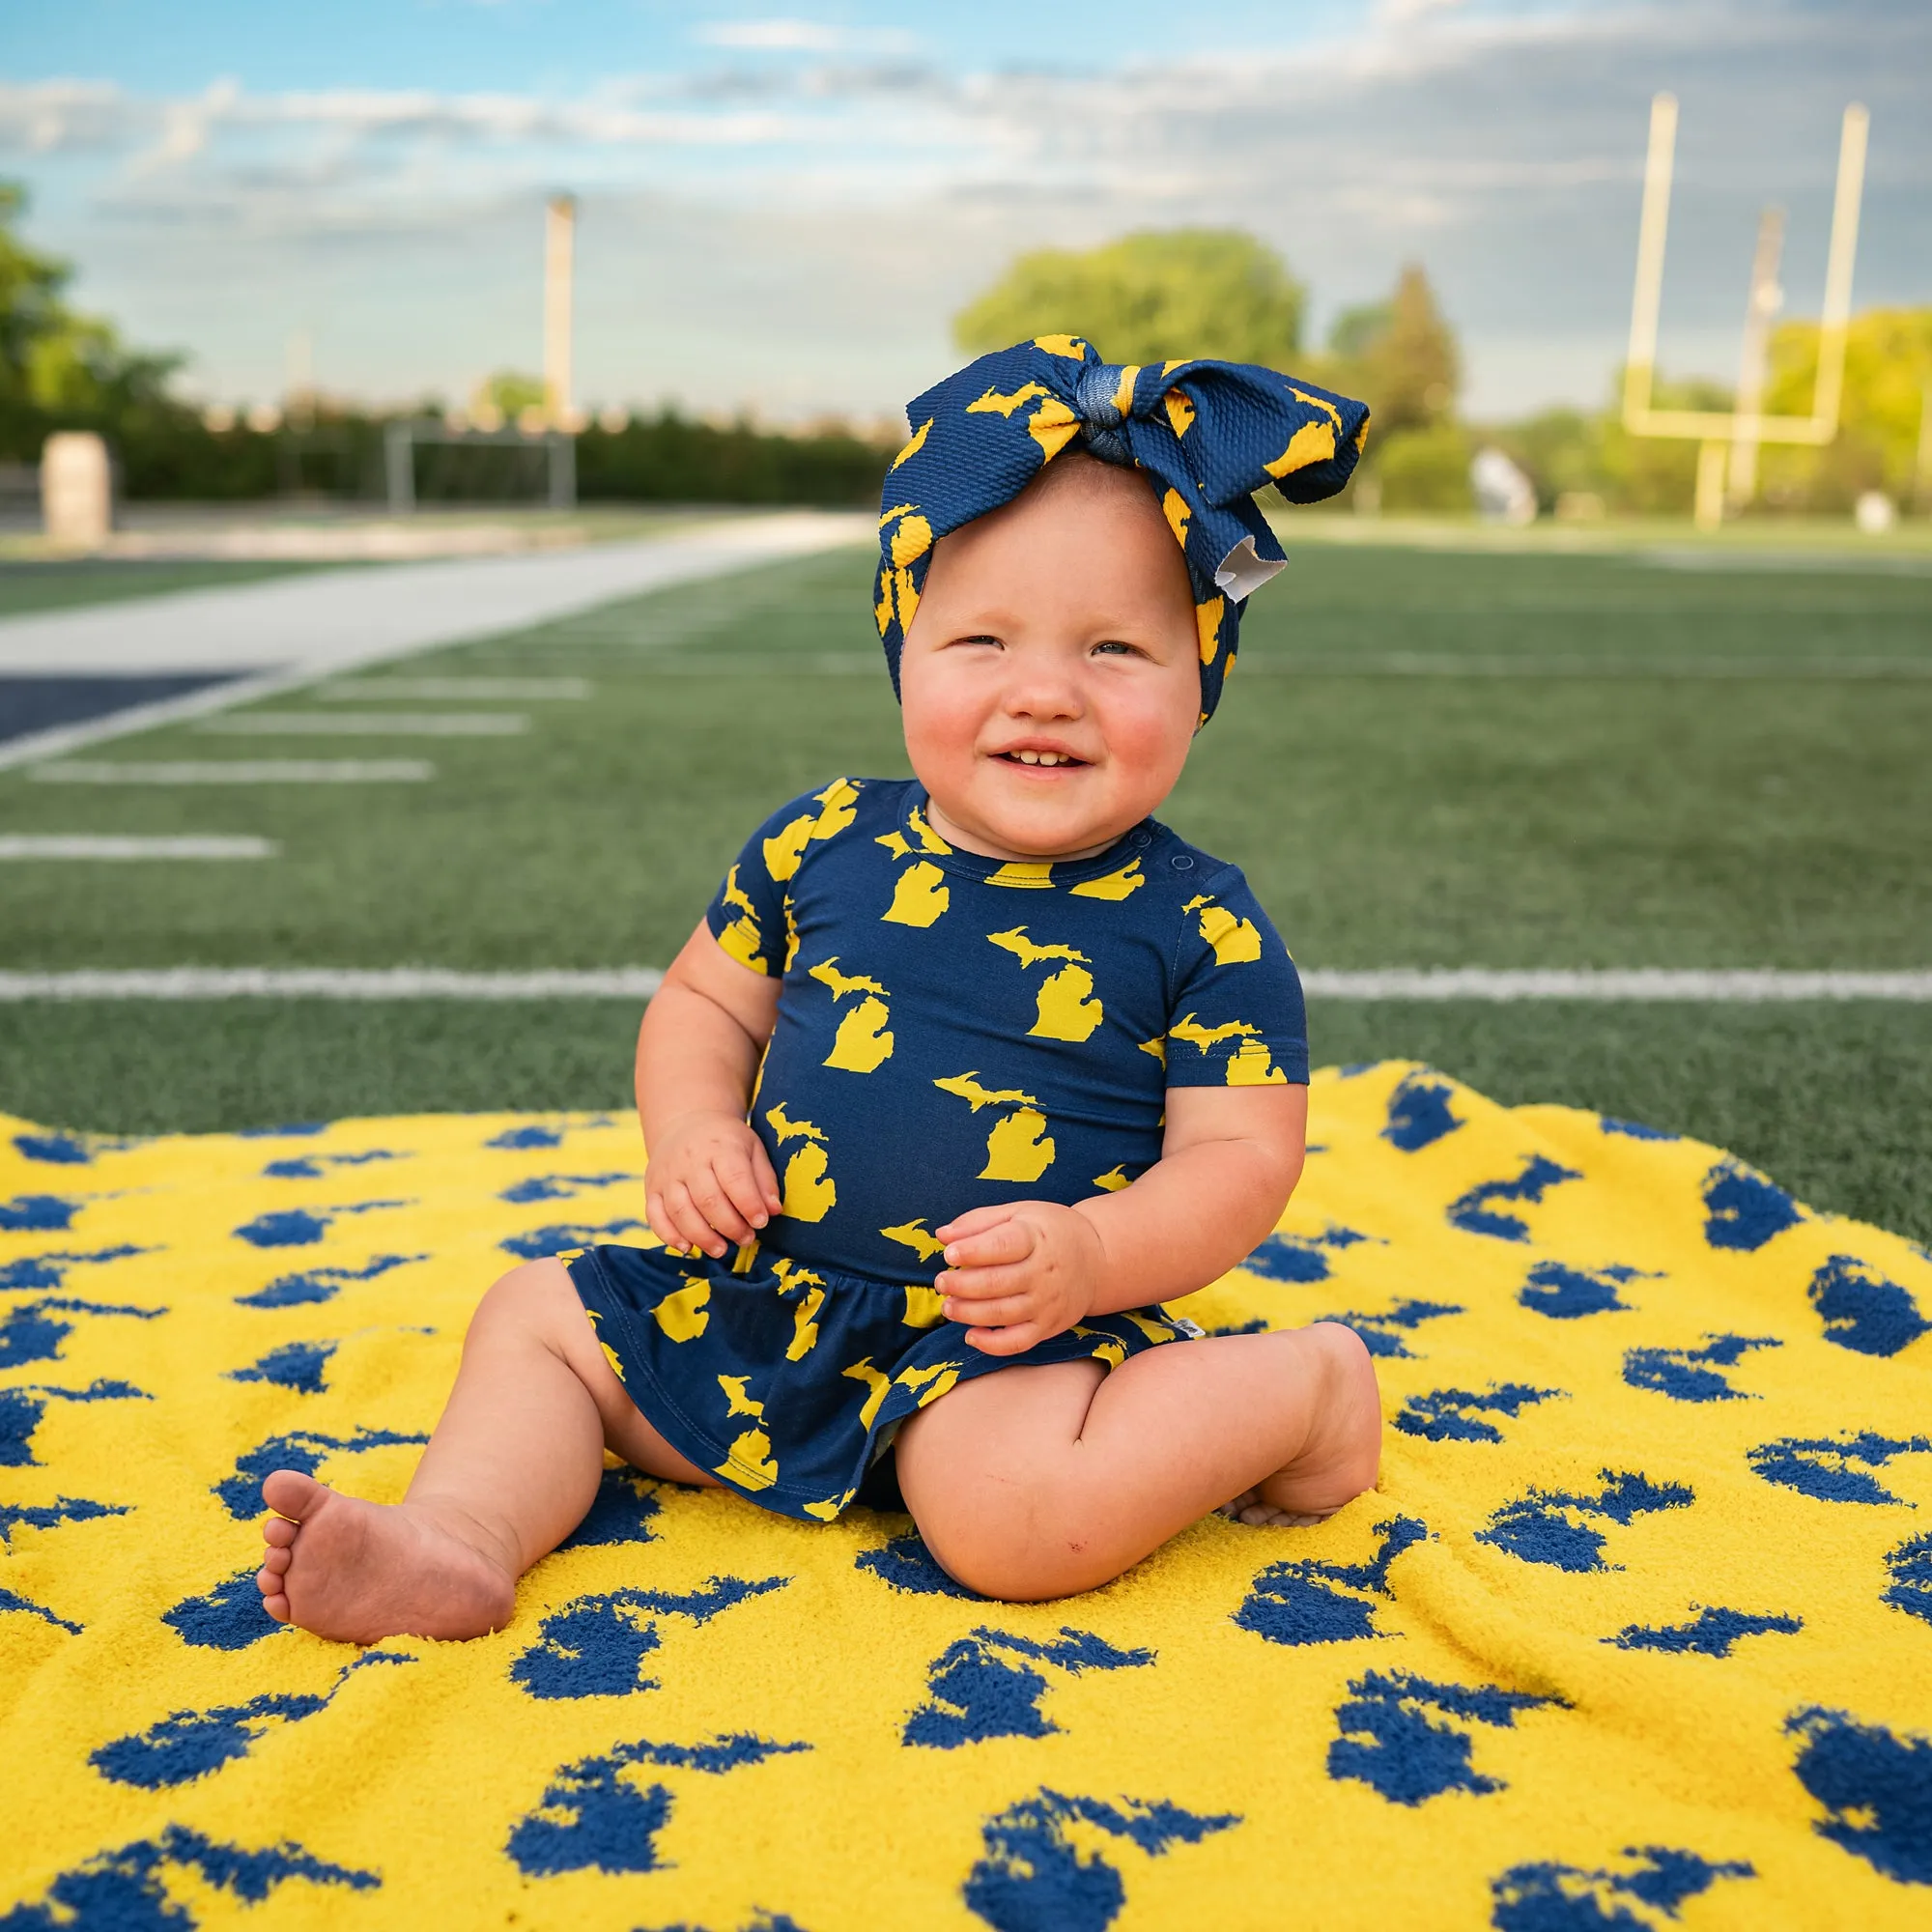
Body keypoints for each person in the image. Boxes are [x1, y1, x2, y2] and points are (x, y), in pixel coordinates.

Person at [255, 338, 1383, 1642]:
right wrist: (691, 1129)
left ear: (1201, 682)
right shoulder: (820, 842)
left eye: (1117, 650)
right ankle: (459, 1537)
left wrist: (1092, 1257)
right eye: (983, 638)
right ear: (903, 651)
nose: (1043, 691)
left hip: (1009, 1337)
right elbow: (704, 1006)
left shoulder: (1199, 921)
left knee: (1011, 1522)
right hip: (775, 1301)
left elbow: (1241, 1159)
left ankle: (1309, 1388)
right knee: (539, 1317)